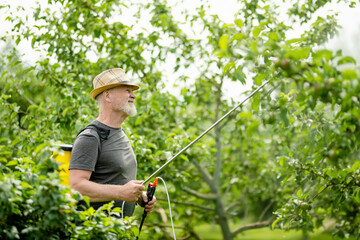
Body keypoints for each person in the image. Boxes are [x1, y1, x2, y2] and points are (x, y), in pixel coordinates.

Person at [69, 68, 156, 217]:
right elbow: (76, 187)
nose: (133, 95)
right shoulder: (90, 137)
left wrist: (138, 197)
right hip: (95, 231)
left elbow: (116, 178)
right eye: (127, 90)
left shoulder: (120, 133)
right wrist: (121, 192)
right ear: (108, 95)